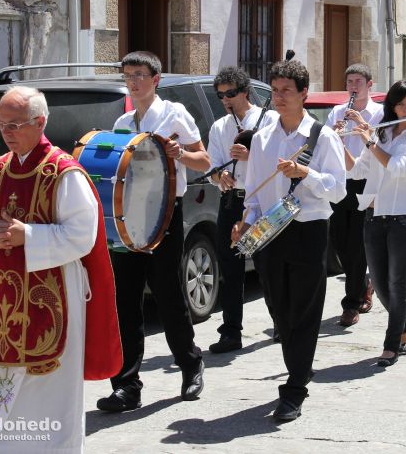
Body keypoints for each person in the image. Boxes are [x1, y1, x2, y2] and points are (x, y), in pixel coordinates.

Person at [0, 86, 122, 453]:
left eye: (15, 124)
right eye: (1, 124)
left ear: (40, 122)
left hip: (53, 294)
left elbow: (82, 236)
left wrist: (30, 236)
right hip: (1, 296)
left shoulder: (64, 173)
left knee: (48, 390)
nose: (6, 132)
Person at [232, 59, 346, 421]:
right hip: (269, 230)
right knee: (280, 310)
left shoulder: (321, 136)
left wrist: (305, 173)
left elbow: (338, 190)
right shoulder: (263, 137)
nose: (279, 97)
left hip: (309, 228)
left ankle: (294, 387)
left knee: (305, 310)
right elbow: (252, 192)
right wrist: (245, 221)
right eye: (275, 90)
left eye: (287, 91)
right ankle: (300, 364)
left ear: (303, 95)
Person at [97, 51, 211, 412]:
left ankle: (191, 365)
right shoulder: (122, 121)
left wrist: (179, 154)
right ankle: (126, 386)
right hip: (127, 217)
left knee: (168, 294)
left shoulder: (174, 114)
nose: (133, 81)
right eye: (127, 75)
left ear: (155, 79)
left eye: (140, 74)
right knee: (125, 301)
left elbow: (203, 160)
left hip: (163, 214)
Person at [344, 80, 406, 366]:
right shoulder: (382, 135)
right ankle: (404, 324)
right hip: (374, 215)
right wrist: (338, 142)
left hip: (404, 217)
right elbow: (357, 170)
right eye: (401, 103)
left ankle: (391, 342)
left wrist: (369, 140)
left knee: (397, 283)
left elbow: (397, 168)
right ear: (392, 107)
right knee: (379, 284)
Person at [206, 66, 278, 353]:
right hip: (231, 201)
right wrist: (218, 176)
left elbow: (280, 159)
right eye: (221, 95)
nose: (226, 100)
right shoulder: (219, 127)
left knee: (266, 264)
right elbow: (212, 165)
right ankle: (231, 331)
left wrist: (252, 155)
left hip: (260, 201)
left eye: (231, 93)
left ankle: (281, 321)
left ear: (245, 91)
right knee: (230, 267)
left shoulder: (269, 119)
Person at [325, 63, 384, 326]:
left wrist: (362, 127)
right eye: (349, 82)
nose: (353, 86)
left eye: (358, 81)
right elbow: (325, 144)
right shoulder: (337, 111)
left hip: (365, 181)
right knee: (340, 244)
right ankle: (364, 285)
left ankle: (351, 304)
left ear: (370, 85)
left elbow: (381, 145)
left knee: (357, 245)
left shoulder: (379, 113)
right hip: (340, 181)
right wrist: (334, 134)